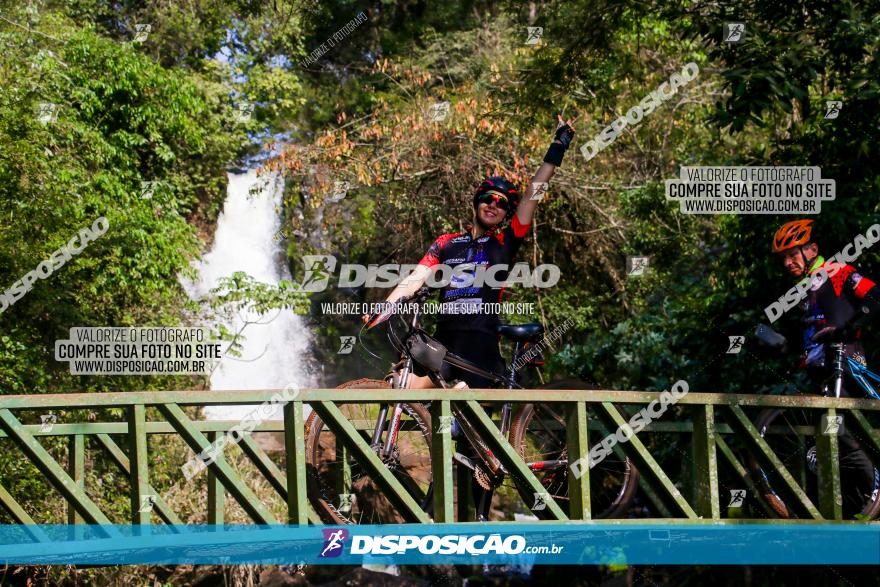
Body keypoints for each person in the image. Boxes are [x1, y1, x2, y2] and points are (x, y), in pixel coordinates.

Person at [364, 115, 576, 520]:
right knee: (400, 387)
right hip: (444, 348)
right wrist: (385, 307)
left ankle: (472, 493)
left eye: (502, 203)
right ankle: (398, 473)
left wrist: (557, 148)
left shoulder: (507, 240)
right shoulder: (448, 243)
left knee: (459, 419)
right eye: (488, 199)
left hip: (480, 351)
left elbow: (534, 192)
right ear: (476, 202)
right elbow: (416, 277)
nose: (495, 205)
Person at [771, 219, 880, 514]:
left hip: (848, 364)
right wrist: (783, 345)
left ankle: (872, 492)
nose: (787, 262)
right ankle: (859, 501)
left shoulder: (837, 271)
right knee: (833, 435)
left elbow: (874, 297)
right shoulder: (804, 290)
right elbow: (811, 331)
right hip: (824, 373)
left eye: (793, 254)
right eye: (783, 258)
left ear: (813, 249)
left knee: (838, 432)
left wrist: (850, 328)